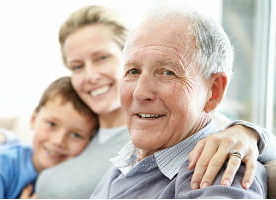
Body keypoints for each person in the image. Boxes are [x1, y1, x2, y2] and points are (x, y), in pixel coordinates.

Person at [0, 5, 275, 199]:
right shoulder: (110, 142)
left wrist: (249, 133)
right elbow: (41, 149)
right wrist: (6, 140)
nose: (141, 91)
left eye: (167, 72)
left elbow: (224, 135)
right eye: (76, 66)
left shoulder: (208, 164)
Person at [90, 6, 267, 198]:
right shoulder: (129, 159)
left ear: (214, 91)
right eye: (133, 71)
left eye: (167, 72)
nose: (140, 93)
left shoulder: (221, 175)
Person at [0, 76, 98, 198]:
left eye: (76, 135)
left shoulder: (79, 182)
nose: (58, 141)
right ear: (34, 119)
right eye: (52, 124)